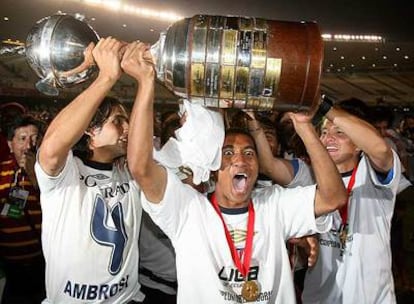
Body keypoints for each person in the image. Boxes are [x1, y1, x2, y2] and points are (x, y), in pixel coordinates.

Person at [124, 41, 347, 303]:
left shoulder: (274, 203)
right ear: (214, 167)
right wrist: (146, 82)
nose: (240, 159)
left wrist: (304, 126)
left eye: (249, 153)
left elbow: (334, 198)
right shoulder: (188, 210)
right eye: (228, 153)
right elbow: (140, 167)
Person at [34, 37, 144, 303]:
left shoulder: (133, 170)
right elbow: (50, 148)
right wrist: (105, 77)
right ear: (90, 131)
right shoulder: (66, 174)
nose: (128, 129)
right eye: (118, 121)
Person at [301, 97, 402, 304]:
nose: (328, 139)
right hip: (320, 298)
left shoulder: (374, 174)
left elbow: (380, 150)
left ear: (358, 144)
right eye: (324, 133)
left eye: (339, 133)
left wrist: (322, 105)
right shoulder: (310, 176)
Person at [0, 115, 45, 303]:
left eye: (34, 139)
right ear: (10, 144)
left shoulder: (51, 174)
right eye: (22, 138)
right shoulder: (1, 173)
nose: (28, 145)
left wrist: (36, 177)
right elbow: (11, 213)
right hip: (11, 266)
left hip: (43, 264)